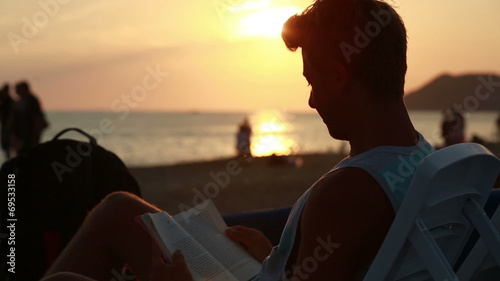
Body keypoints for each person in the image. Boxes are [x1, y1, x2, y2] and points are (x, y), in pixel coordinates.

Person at [43, 0, 436, 280]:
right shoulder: (426, 160)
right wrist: (273, 259)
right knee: (118, 209)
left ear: (338, 76)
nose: (312, 100)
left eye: (313, 82)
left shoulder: (348, 192)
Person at [11, 81, 48, 155]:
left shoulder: (31, 100)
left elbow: (36, 118)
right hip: (22, 135)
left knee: (29, 154)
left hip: (29, 134)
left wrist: (36, 135)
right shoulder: (21, 101)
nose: (16, 91)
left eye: (18, 89)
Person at [0, 84, 13, 159]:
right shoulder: (7, 102)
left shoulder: (8, 102)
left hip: (7, 129)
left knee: (8, 148)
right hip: (6, 128)